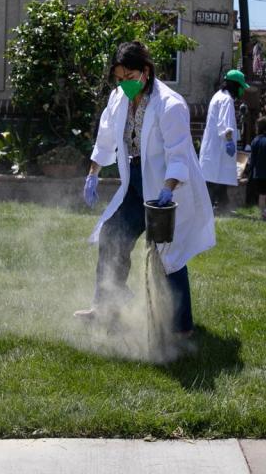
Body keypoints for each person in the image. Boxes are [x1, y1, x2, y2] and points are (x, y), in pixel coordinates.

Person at [78, 41, 215, 336]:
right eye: (119, 77)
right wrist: (93, 174)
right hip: (136, 181)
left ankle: (181, 330)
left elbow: (178, 154)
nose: (123, 83)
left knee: (169, 255)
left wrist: (167, 191)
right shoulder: (118, 99)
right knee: (112, 236)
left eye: (129, 77)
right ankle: (107, 308)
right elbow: (105, 138)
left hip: (168, 185)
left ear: (146, 71)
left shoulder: (170, 105)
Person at [199, 70, 247, 214]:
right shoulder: (226, 100)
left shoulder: (218, 96)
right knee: (217, 178)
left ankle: (221, 206)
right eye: (241, 87)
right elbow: (224, 124)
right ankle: (218, 207)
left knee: (214, 178)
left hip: (212, 146)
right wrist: (229, 142)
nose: (241, 91)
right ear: (235, 85)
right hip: (219, 147)